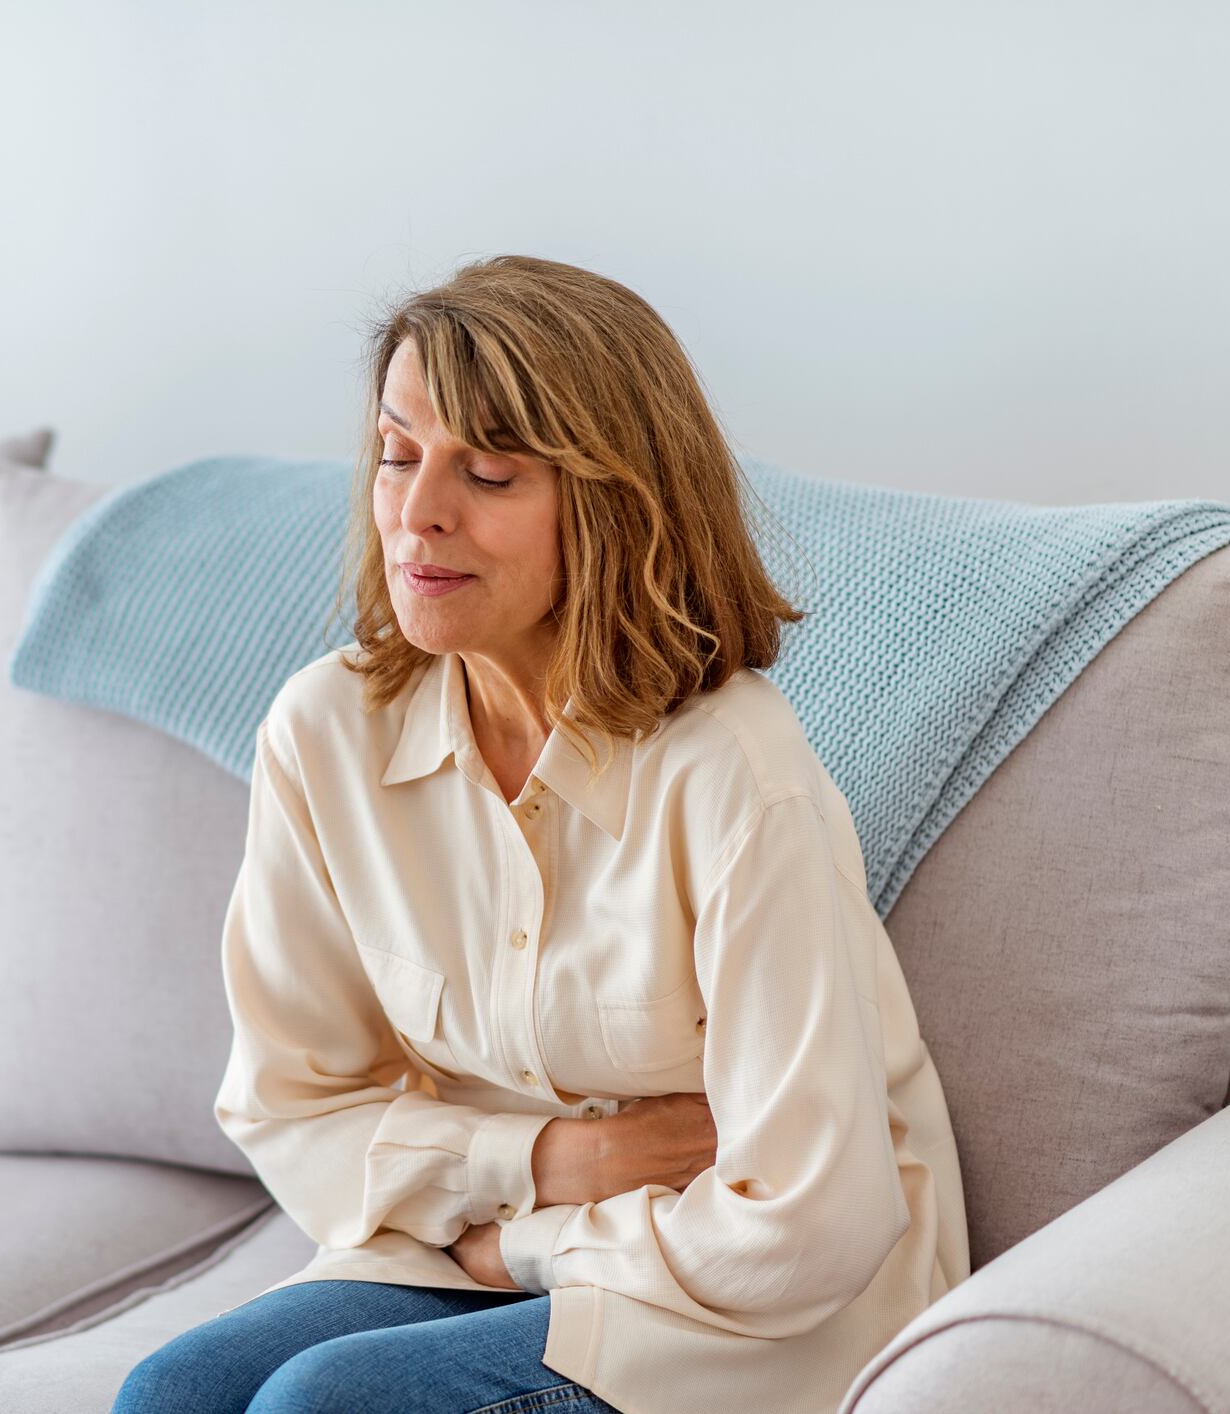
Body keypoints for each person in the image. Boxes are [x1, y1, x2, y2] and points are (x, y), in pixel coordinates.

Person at [112, 255, 968, 1414]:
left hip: (740, 1309)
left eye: (491, 470)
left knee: (327, 1406)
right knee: (174, 1391)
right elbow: (290, 1106)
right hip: (477, 1243)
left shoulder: (734, 774)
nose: (419, 512)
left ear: (614, 505)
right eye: (397, 453)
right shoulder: (326, 734)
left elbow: (813, 1224)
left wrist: (518, 1246)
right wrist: (552, 1168)